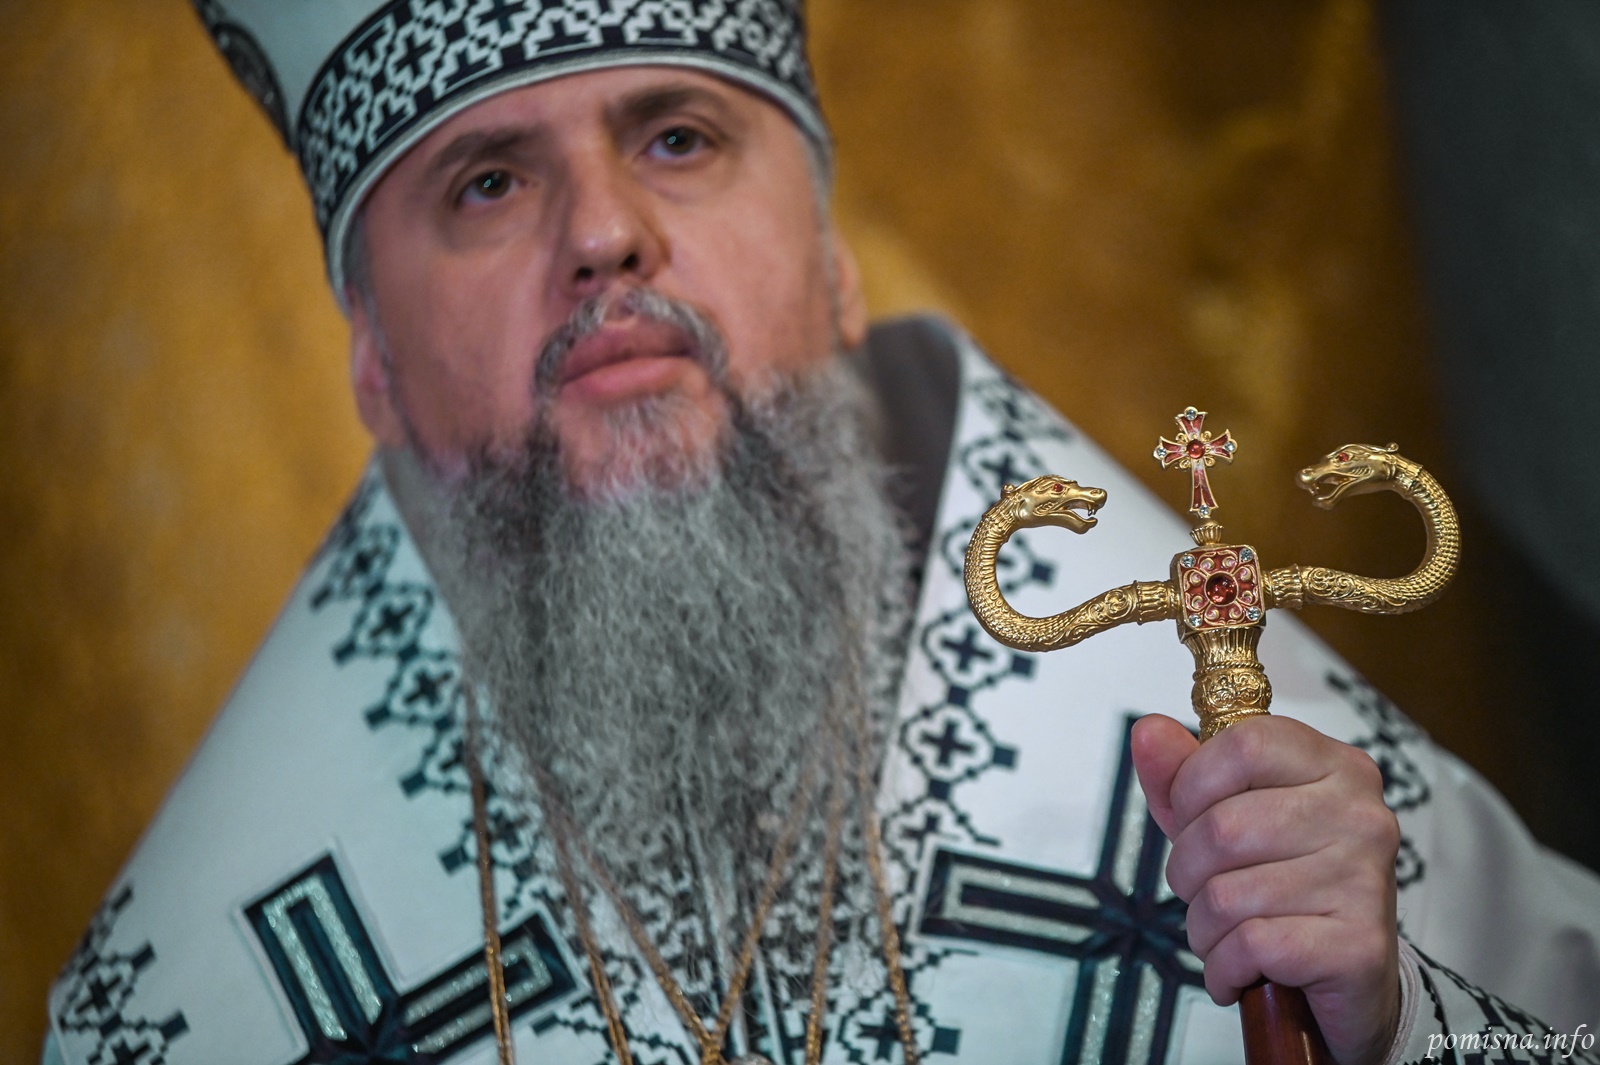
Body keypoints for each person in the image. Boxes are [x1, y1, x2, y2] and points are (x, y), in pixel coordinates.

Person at [43, 3, 1600, 1064]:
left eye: (676, 137)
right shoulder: (194, 991)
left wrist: (1398, 1027)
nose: (603, 233)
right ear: (373, 359)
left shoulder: (1208, 730)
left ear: (836, 266)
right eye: (490, 180)